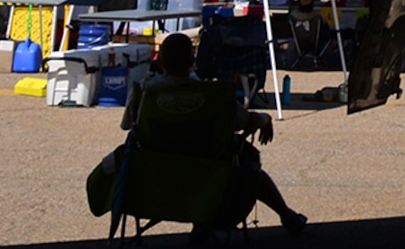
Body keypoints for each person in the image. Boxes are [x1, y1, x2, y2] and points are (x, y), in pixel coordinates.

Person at [121, 32, 307, 235]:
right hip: (209, 175)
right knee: (250, 166)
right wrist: (266, 119)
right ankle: (285, 214)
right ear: (192, 61)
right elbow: (245, 120)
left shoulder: (143, 92)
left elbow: (127, 125)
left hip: (156, 174)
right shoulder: (211, 94)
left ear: (159, 60)